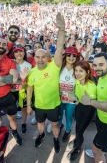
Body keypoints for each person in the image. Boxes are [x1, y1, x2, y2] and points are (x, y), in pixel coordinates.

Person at [26, 13, 65, 153]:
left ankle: (55, 139)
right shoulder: (31, 72)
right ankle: (41, 135)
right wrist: (29, 105)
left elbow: (59, 49)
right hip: (39, 106)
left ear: (48, 57)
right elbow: (29, 90)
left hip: (54, 105)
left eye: (43, 57)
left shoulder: (54, 66)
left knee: (55, 125)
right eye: (38, 57)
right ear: (34, 58)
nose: (41, 60)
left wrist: (61, 30)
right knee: (40, 124)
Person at [47, 47, 79, 143]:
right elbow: (50, 61)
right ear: (65, 56)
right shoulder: (60, 67)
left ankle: (68, 131)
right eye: (69, 54)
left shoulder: (77, 69)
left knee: (69, 116)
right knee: (59, 115)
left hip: (71, 99)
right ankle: (60, 126)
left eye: (74, 55)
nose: (71, 57)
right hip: (59, 98)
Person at [66, 61, 97, 161]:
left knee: (79, 131)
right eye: (76, 70)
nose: (78, 73)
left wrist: (74, 99)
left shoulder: (91, 87)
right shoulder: (78, 80)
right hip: (79, 105)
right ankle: (77, 141)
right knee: (77, 126)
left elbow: (91, 104)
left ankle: (78, 148)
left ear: (87, 72)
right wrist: (73, 96)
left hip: (88, 109)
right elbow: (75, 94)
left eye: (81, 71)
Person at [9, 45, 32, 135]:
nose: (18, 54)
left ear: (24, 52)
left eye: (20, 51)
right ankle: (12, 123)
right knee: (12, 108)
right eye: (16, 52)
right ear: (13, 53)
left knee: (24, 108)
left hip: (23, 90)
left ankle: (23, 124)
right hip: (11, 90)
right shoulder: (10, 63)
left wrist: (23, 80)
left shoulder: (28, 65)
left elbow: (29, 83)